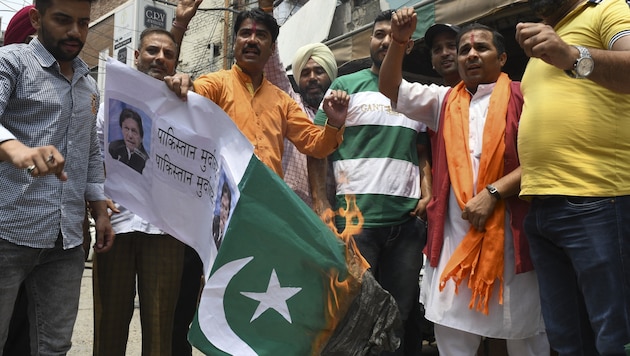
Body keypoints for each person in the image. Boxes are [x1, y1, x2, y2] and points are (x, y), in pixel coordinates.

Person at [379, 8, 549, 355]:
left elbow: (543, 157)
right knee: (454, 339)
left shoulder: (524, 96)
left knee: (524, 337)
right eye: (464, 50)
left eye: (481, 48)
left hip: (512, 244)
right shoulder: (442, 101)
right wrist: (399, 41)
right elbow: (390, 87)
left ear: (502, 58)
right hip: (455, 245)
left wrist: (494, 192)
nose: (471, 54)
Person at [310, 10, 431, 355]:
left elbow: (421, 151)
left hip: (406, 225)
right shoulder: (344, 86)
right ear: (370, 41)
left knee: (399, 315)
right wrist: (321, 206)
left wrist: (428, 193)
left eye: (392, 35)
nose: (385, 41)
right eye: (379, 34)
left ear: (406, 45)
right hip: (355, 224)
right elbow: (319, 149)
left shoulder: (414, 95)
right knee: (353, 315)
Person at [515, 0, 630, 354]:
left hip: (598, 197)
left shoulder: (608, 9)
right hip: (543, 206)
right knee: (567, 340)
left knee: (616, 337)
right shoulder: (543, 43)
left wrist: (573, 55)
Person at [0, 1, 114, 355]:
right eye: (63, 21)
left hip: (65, 242)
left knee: (54, 346)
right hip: (8, 232)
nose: (76, 33)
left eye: (83, 23)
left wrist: (99, 208)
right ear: (37, 18)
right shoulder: (13, 62)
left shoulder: (88, 83)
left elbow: (91, 152)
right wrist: (16, 149)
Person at [93, 27, 195, 356]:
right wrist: (96, 202)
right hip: (117, 227)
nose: (159, 58)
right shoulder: (111, 102)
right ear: (137, 56)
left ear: (176, 63)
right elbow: (93, 154)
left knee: (160, 329)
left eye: (168, 54)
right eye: (152, 51)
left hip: (165, 231)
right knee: (109, 324)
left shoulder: (189, 106)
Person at [165, 8, 349, 179]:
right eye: (245, 34)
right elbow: (191, 95)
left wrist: (334, 123)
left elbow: (315, 145)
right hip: (225, 199)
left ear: (272, 49)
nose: (252, 40)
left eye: (261, 35)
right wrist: (184, 84)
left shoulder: (283, 101)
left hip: (267, 203)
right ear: (235, 43)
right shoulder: (216, 83)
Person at [108, 108, 149, 174]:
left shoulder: (146, 164)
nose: (130, 136)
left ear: (141, 137)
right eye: (126, 129)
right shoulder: (113, 147)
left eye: (134, 131)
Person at [425, 23, 461, 87]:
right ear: (432, 62)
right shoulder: (434, 95)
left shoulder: (482, 91)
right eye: (437, 49)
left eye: (451, 46)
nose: (444, 53)